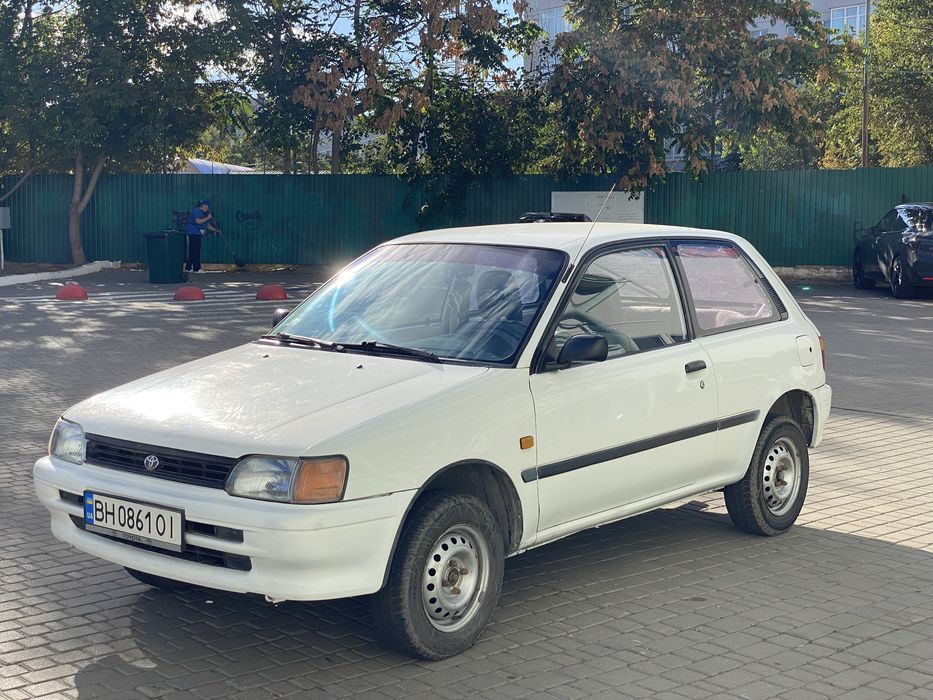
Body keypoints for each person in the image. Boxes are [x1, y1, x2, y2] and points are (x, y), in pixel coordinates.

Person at [185, 199, 220, 272]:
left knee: (192, 251)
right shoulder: (197, 211)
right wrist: (208, 217)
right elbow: (198, 221)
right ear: (203, 205)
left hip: (196, 233)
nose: (208, 208)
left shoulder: (202, 213)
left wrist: (216, 230)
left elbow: (206, 224)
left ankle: (188, 268)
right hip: (193, 233)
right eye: (207, 206)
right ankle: (197, 268)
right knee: (196, 251)